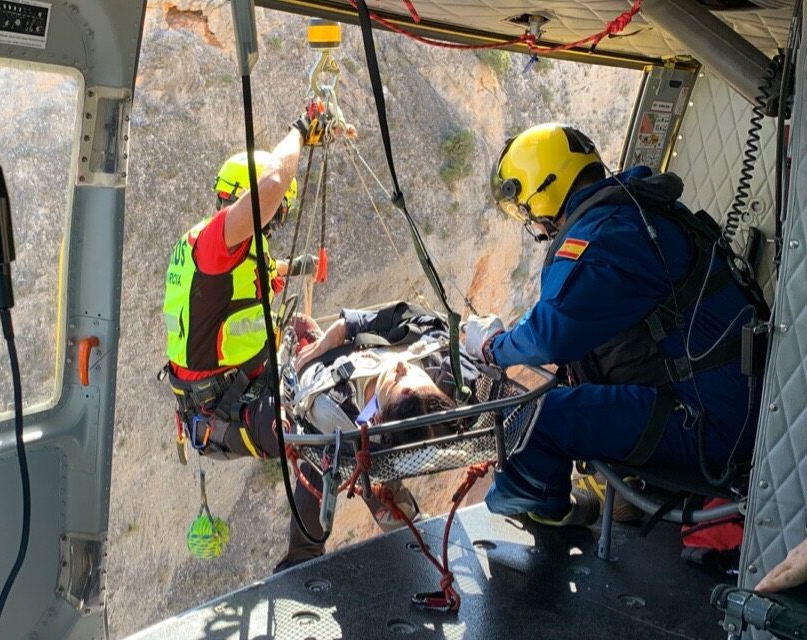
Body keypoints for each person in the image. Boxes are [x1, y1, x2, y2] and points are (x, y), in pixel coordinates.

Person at [464, 122, 769, 526]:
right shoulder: (632, 213)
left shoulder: (604, 237)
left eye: (526, 211)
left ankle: (546, 511)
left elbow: (552, 334)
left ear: (544, 191)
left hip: (711, 422)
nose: (533, 223)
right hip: (737, 403)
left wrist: (492, 347)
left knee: (541, 420)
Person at [161, 106, 328, 568]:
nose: (274, 227)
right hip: (226, 412)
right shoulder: (217, 245)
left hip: (230, 399)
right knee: (321, 430)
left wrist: (296, 269)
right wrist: (300, 130)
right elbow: (273, 185)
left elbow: (257, 278)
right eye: (273, 219)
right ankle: (303, 561)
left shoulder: (216, 253)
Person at [283, 301, 487, 566]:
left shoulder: (335, 405)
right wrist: (347, 326)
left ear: (379, 416)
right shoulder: (447, 370)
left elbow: (302, 388)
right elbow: (413, 315)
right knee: (360, 470)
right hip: (362, 413)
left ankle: (302, 557)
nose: (403, 365)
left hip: (344, 418)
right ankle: (406, 531)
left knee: (350, 466)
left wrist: (320, 350)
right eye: (418, 376)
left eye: (398, 384)